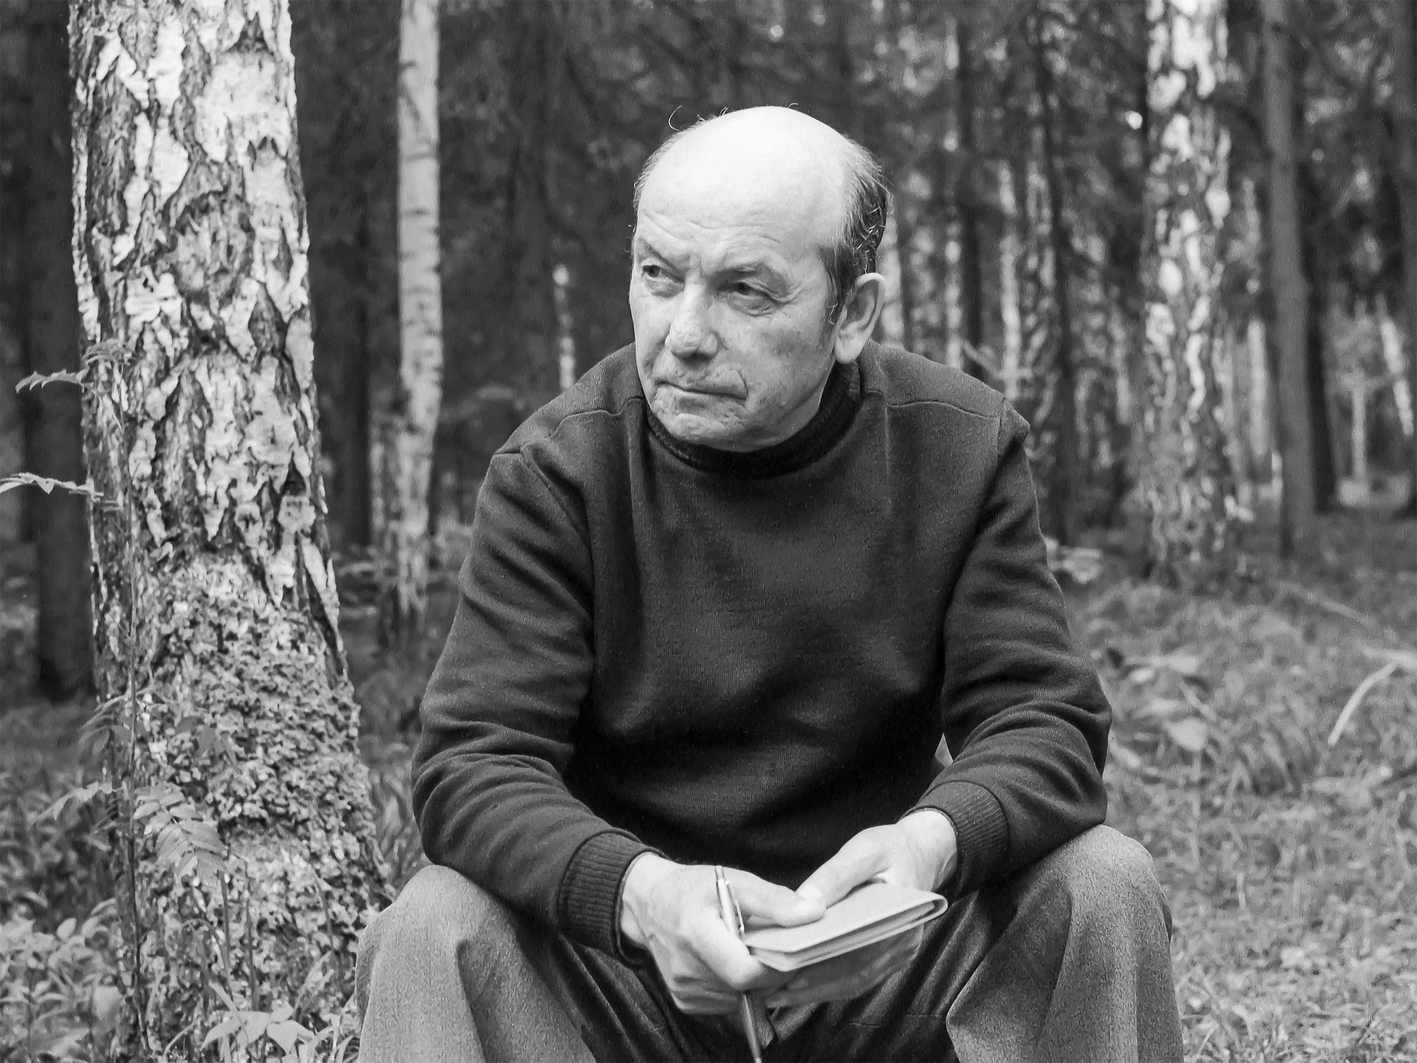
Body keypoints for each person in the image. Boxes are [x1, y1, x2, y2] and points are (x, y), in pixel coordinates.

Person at [355, 106, 1185, 1062]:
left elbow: (1045, 722)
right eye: (657, 275)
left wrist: (928, 842)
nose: (684, 333)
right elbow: (471, 764)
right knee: (435, 926)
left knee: (1103, 880)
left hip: (886, 964)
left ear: (851, 314)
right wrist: (643, 897)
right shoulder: (558, 472)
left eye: (744, 290)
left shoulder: (954, 447)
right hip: (631, 980)